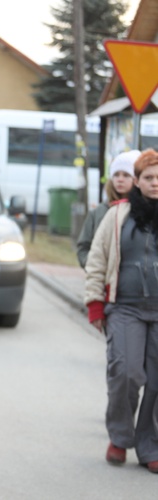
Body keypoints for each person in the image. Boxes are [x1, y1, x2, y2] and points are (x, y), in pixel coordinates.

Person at [84, 148, 158, 474]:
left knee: (156, 382)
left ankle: (150, 446)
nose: (155, 183)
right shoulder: (117, 215)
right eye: (148, 177)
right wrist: (96, 305)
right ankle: (120, 436)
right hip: (124, 308)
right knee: (125, 373)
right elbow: (97, 259)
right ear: (137, 182)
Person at [77, 150, 141, 268]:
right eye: (116, 175)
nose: (120, 179)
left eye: (126, 175)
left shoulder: (141, 211)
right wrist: (92, 266)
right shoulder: (98, 212)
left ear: (136, 180)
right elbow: (84, 247)